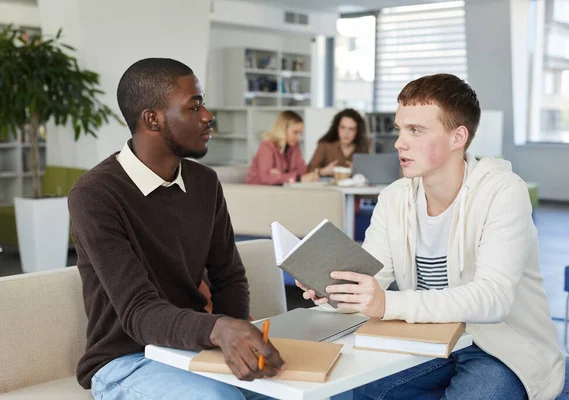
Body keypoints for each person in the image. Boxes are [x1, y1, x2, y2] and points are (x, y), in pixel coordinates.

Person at [298, 74, 565, 400]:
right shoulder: (395, 197)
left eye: (416, 130)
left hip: (498, 346)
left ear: (458, 137)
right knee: (356, 391)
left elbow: (493, 298)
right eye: (400, 129)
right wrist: (336, 288)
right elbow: (373, 279)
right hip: (428, 339)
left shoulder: (503, 191)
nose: (399, 143)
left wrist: (387, 303)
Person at [68, 58, 284, 400]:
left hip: (194, 348)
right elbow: (138, 311)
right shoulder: (95, 194)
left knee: (310, 389)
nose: (208, 115)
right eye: (194, 106)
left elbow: (228, 275)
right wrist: (218, 330)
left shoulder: (204, 182)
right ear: (152, 119)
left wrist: (235, 340)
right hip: (126, 360)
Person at [245, 110, 318, 185]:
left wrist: (281, 176)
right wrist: (297, 178)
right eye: (295, 132)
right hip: (256, 190)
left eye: (300, 133)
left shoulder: (294, 145)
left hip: (278, 188)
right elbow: (265, 178)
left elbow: (302, 170)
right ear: (283, 129)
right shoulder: (266, 145)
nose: (298, 137)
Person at [307, 108, 370, 177]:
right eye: (342, 128)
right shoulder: (325, 145)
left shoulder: (363, 147)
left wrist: (358, 171)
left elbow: (370, 173)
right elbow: (309, 170)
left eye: (351, 129)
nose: (346, 133)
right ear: (337, 128)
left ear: (357, 132)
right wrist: (323, 171)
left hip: (354, 187)